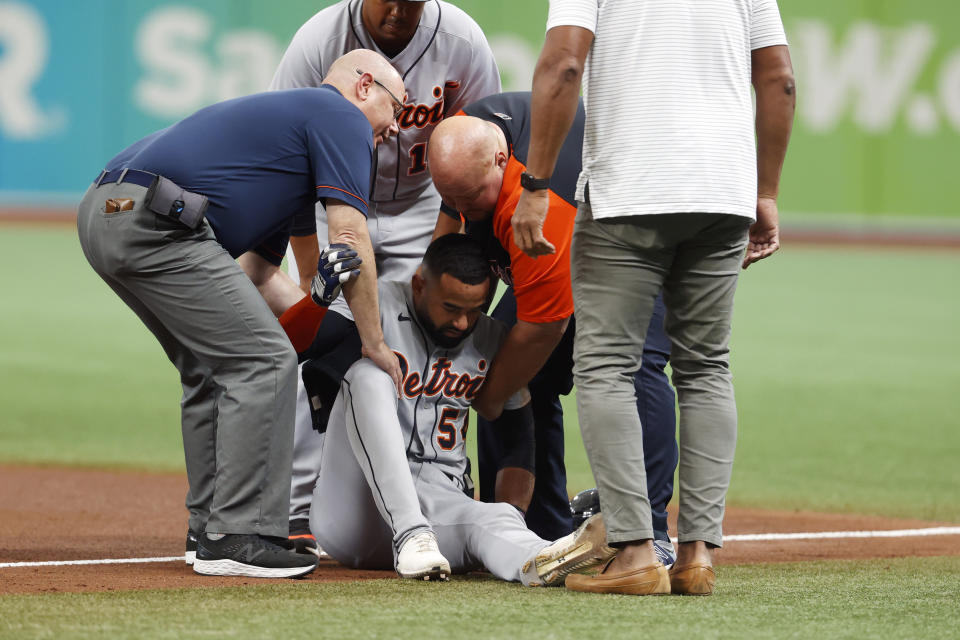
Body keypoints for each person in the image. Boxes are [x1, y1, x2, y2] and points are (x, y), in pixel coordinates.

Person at [76, 49, 406, 579]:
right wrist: (372, 340)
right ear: (365, 85)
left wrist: (316, 306)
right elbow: (350, 237)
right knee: (263, 363)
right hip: (157, 222)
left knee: (214, 366)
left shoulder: (286, 152)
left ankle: (209, 525)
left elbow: (253, 276)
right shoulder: (341, 116)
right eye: (398, 106)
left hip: (108, 212)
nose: (396, 127)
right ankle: (238, 534)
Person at [511, 0, 795, 595]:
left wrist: (535, 185)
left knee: (606, 367)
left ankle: (636, 552)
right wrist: (766, 191)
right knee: (706, 368)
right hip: (724, 190)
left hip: (631, 189)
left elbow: (563, 65)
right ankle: (695, 558)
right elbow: (778, 77)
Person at [269, 0, 502, 545]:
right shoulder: (319, 40)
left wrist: (446, 247)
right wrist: (309, 275)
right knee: (323, 346)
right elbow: (288, 161)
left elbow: (485, 147)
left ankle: (421, 487)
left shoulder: (461, 40)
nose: (397, 9)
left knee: (420, 347)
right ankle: (299, 506)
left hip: (425, 210)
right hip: (334, 207)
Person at [427, 93, 678, 559]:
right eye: (452, 196)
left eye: (472, 196)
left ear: (501, 162)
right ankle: (534, 531)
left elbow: (544, 328)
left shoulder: (534, 208)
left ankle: (651, 533)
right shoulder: (463, 139)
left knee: (632, 368)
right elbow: (447, 239)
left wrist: (489, 395)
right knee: (498, 358)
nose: (464, 207)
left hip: (637, 237)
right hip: (562, 238)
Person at [309, 233, 615, 585]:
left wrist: (512, 515)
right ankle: (410, 533)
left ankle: (545, 560)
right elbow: (300, 347)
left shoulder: (491, 338)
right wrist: (317, 298)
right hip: (352, 508)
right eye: (451, 308)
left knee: (495, 517)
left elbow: (519, 438)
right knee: (368, 375)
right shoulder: (376, 304)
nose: (462, 323)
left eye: (473, 310)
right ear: (420, 285)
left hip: (438, 507)